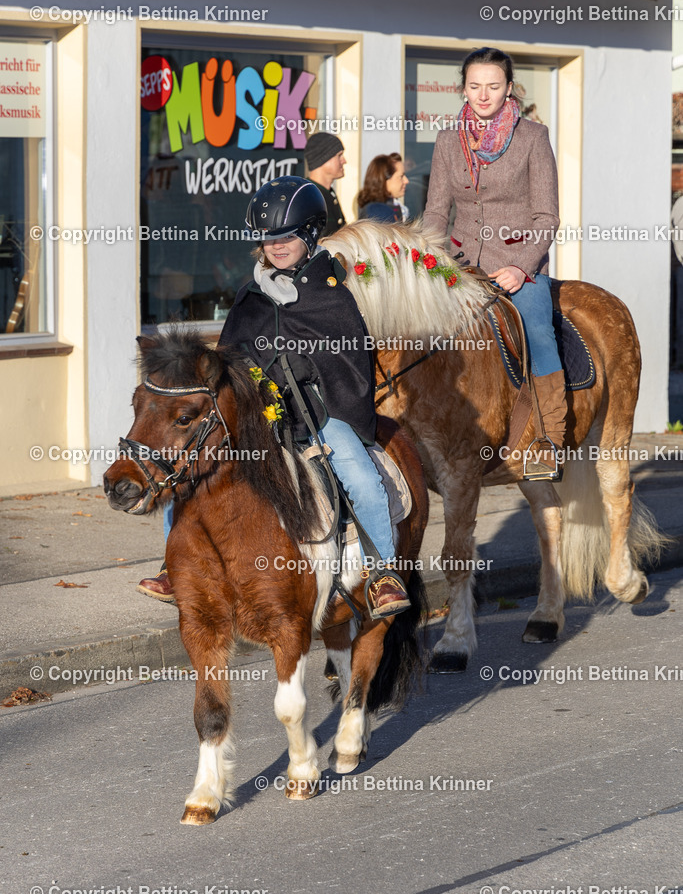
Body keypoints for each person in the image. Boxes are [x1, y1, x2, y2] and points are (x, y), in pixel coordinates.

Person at [139, 177, 410, 618]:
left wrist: (308, 379)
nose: (276, 246)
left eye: (286, 236)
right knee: (189, 466)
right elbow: (229, 360)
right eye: (268, 238)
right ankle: (176, 565)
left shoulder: (332, 297)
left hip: (321, 413)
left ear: (308, 234)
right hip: (255, 416)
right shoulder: (251, 296)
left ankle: (383, 572)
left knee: (361, 477)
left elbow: (350, 367)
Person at [422, 46, 565, 478]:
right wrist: (435, 259)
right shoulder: (448, 140)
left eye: (493, 86)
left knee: (538, 331)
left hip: (518, 268)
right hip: (460, 267)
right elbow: (434, 213)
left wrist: (521, 267)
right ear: (463, 88)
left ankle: (547, 439)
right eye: (475, 86)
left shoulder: (533, 137)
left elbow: (548, 217)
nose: (483, 95)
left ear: (508, 89)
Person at [305, 132, 346, 236]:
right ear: (324, 159)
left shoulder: (328, 193)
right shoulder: (309, 196)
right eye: (339, 155)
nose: (344, 161)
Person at [357, 153, 410, 223]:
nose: (406, 181)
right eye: (401, 176)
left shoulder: (395, 208)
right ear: (384, 179)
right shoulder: (377, 213)